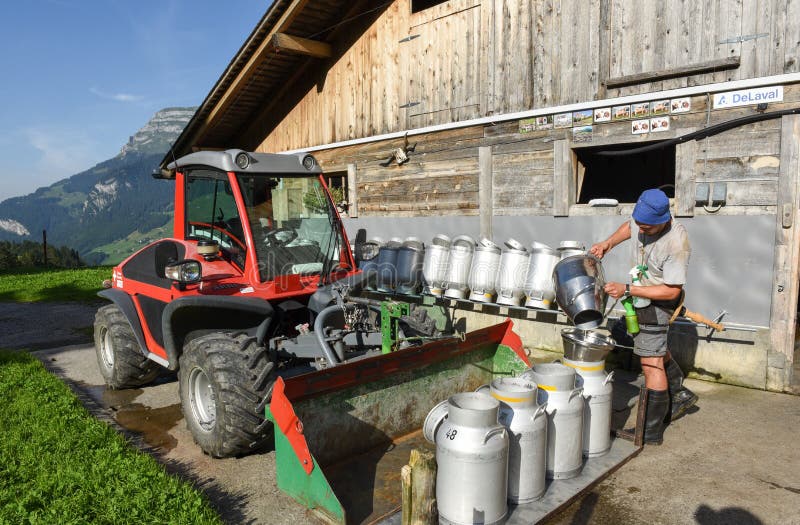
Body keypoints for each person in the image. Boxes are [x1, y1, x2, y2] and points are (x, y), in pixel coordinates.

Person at [589, 188, 698, 444]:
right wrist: (608, 243)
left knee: (650, 363)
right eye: (640, 223)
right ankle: (679, 392)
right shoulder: (641, 221)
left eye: (647, 227)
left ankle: (649, 431)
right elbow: (628, 227)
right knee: (655, 351)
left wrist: (626, 289)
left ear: (663, 220)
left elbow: (671, 291)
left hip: (658, 304)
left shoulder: (676, 244)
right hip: (641, 297)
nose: (641, 229)